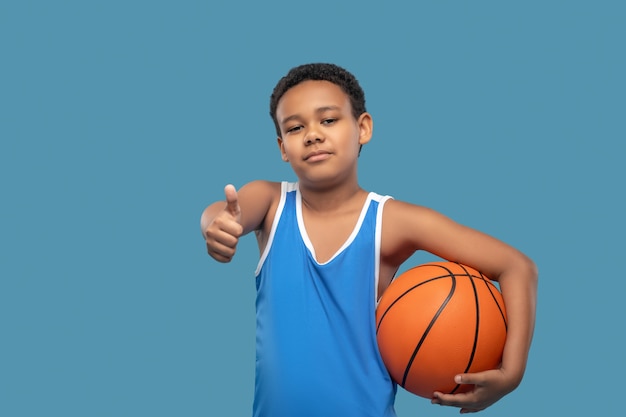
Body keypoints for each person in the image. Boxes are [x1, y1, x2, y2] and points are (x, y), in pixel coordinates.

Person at [201, 63, 538, 416]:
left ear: (363, 128)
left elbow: (517, 267)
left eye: (328, 120)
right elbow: (225, 213)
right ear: (283, 147)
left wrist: (511, 373)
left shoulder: (392, 221)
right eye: (295, 127)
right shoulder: (269, 202)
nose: (313, 135)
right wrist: (218, 223)